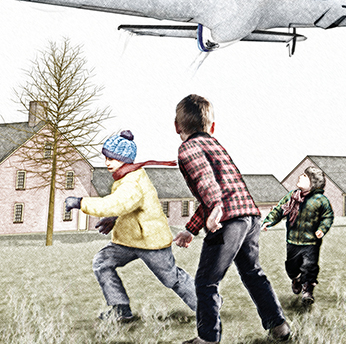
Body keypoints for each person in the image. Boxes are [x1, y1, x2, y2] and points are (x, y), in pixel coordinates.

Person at [171, 94, 291, 344]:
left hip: (226, 222)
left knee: (206, 281)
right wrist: (191, 230)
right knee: (252, 272)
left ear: (177, 126)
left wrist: (215, 207)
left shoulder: (187, 148)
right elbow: (220, 189)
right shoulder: (216, 146)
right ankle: (278, 325)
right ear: (212, 127)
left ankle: (207, 339)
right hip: (249, 217)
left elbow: (207, 183)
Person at [64, 130, 197, 322]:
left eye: (112, 158)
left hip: (151, 242)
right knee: (102, 263)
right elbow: (127, 206)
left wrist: (80, 202)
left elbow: (117, 203)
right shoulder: (125, 177)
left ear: (126, 159)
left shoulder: (132, 182)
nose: (107, 163)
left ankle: (208, 306)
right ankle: (120, 309)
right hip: (128, 241)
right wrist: (114, 218)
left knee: (172, 279)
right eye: (106, 157)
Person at [262, 166, 334, 305]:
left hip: (311, 242)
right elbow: (279, 210)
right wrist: (269, 221)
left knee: (309, 266)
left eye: (305, 176)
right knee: (291, 267)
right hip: (293, 240)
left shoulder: (321, 200)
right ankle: (296, 279)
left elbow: (327, 217)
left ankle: (307, 290)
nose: (300, 177)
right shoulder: (292, 196)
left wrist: (322, 229)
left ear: (313, 183)